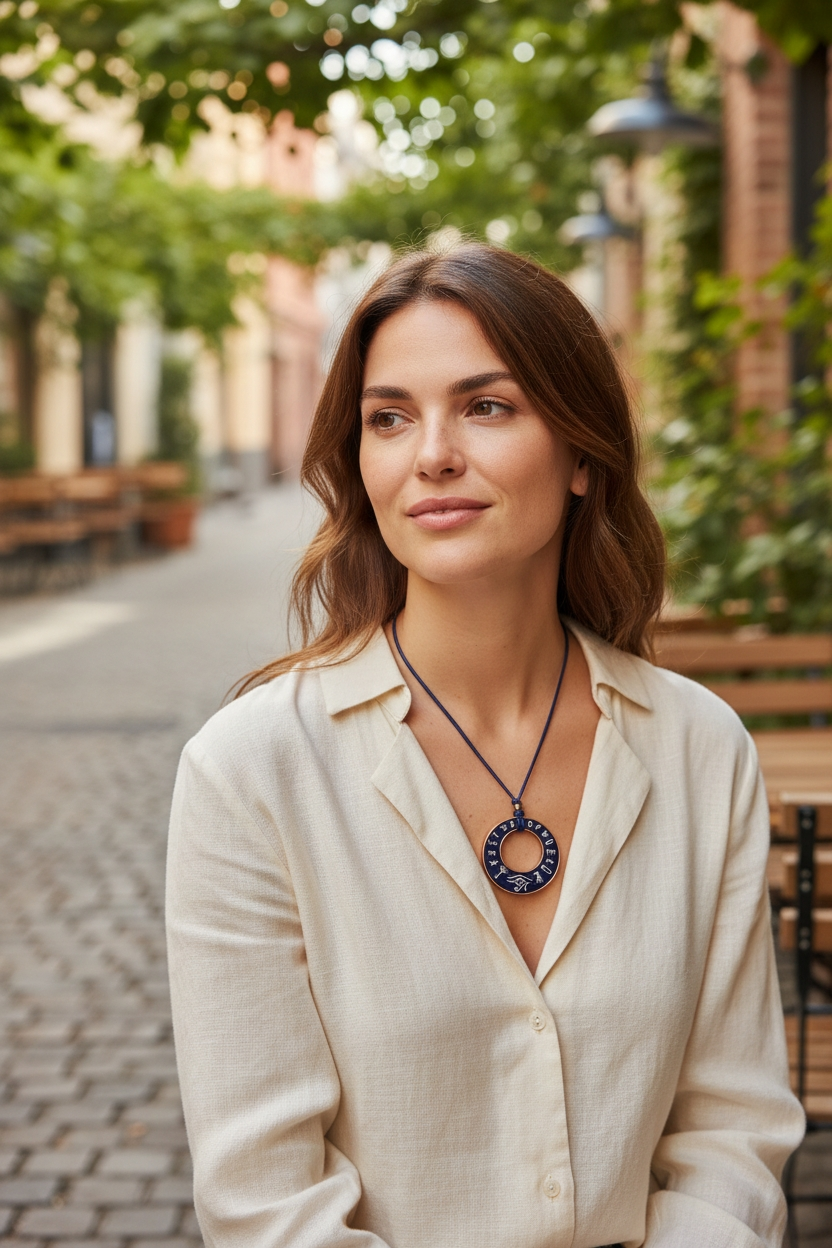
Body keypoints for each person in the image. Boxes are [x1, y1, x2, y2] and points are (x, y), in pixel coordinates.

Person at [166, 243, 803, 1248]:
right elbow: (267, 1204)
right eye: (389, 417)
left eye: (487, 406)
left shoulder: (695, 746)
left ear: (584, 453)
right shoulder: (252, 770)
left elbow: (731, 1126)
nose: (431, 455)